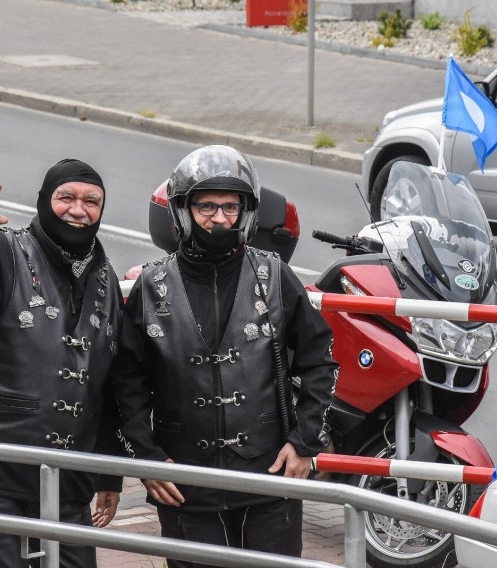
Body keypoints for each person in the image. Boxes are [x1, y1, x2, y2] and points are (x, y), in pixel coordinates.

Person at [113, 145, 338, 567]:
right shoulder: (150, 284)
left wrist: (305, 442)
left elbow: (321, 360)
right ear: (183, 210)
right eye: (206, 206)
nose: (219, 218)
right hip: (185, 481)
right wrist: (146, 458)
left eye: (230, 207)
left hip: (271, 475)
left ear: (246, 211)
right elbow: (127, 384)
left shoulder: (275, 275)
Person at [0, 159, 124, 568]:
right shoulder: (3, 249)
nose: (78, 209)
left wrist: (107, 475)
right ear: (45, 201)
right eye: (66, 197)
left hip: (67, 482)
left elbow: (107, 384)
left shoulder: (105, 278)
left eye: (92, 201)